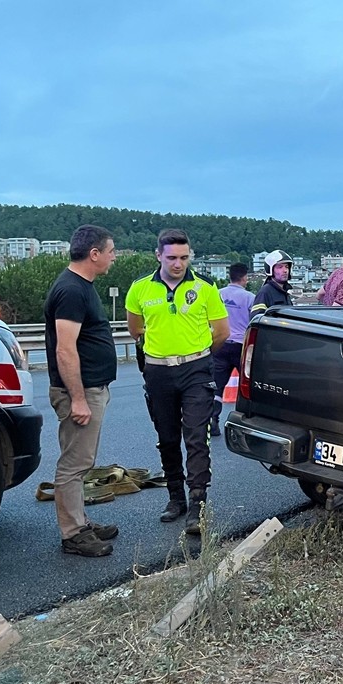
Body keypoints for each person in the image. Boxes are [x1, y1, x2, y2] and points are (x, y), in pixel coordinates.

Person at [125, 229, 229, 535]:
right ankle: (175, 498)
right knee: (167, 437)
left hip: (196, 369)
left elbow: (221, 332)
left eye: (184, 257)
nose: (178, 263)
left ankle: (198, 503)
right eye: (171, 258)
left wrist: (200, 356)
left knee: (197, 437)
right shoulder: (140, 289)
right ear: (158, 256)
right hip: (158, 372)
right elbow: (136, 330)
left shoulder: (206, 287)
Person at [43, 225, 118, 557]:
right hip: (80, 391)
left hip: (90, 388)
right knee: (74, 463)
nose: (114, 258)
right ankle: (73, 533)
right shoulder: (72, 291)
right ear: (95, 254)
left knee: (81, 460)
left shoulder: (81, 286)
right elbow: (65, 350)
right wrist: (77, 398)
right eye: (112, 251)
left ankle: (80, 521)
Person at [210, 262, 255, 438]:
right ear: (245, 278)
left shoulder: (218, 294)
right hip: (241, 346)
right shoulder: (250, 297)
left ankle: (213, 421)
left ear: (229, 276)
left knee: (217, 386)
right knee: (247, 386)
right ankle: (247, 425)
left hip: (221, 343)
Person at [252, 250, 295, 318]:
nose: (285, 270)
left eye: (286, 267)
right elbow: (256, 319)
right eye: (280, 267)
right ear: (270, 270)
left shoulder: (285, 293)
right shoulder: (265, 292)